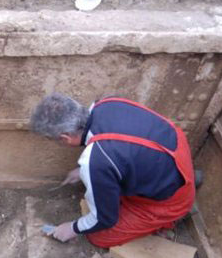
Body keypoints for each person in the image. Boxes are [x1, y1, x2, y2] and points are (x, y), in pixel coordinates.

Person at [30, 93, 196, 248]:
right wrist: (84, 171)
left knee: (98, 237)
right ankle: (190, 178)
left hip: (172, 198)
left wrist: (72, 228)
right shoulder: (106, 103)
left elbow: (105, 219)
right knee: (111, 188)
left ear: (65, 138)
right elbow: (122, 149)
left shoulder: (96, 161)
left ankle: (165, 220)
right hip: (174, 158)